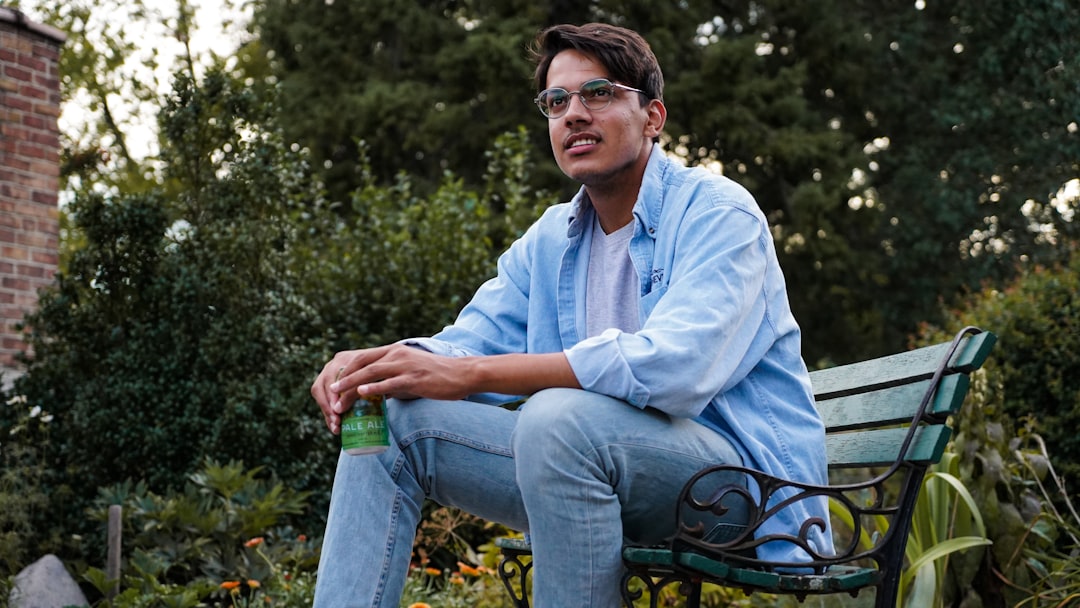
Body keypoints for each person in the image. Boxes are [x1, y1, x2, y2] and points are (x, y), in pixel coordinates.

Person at [310, 22, 831, 608]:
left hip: (734, 490)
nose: (574, 114)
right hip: (586, 460)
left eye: (599, 93)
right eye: (557, 102)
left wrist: (476, 377)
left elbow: (675, 368)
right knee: (391, 419)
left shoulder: (718, 213)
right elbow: (471, 342)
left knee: (558, 417)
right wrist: (379, 365)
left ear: (653, 116)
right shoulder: (552, 237)